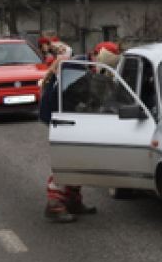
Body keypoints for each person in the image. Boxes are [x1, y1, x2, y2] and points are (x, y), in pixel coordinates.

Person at [38, 42, 120, 222]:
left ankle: (72, 199)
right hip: (61, 115)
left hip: (73, 116)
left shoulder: (90, 68)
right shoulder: (77, 68)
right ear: (98, 55)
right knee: (67, 159)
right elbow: (69, 96)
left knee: (80, 158)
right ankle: (54, 203)